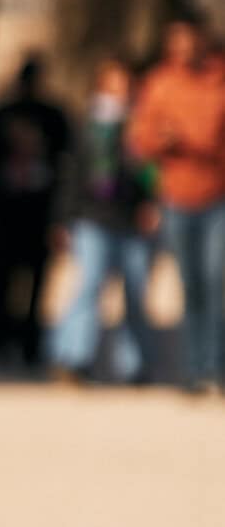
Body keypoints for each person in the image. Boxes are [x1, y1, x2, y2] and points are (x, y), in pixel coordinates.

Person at [49, 56, 160, 384]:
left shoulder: (143, 126)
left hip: (131, 220)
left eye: (126, 84)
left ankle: (135, 365)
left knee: (137, 293)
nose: (121, 90)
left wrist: (151, 202)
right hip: (92, 217)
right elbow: (71, 174)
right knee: (89, 287)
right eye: (114, 83)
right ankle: (72, 357)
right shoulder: (86, 126)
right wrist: (64, 219)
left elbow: (152, 174)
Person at [128, 18, 225, 392]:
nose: (183, 52)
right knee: (191, 283)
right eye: (176, 45)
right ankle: (195, 368)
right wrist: (161, 142)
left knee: (217, 279)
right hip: (177, 197)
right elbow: (140, 139)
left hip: (217, 194)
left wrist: (203, 147)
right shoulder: (160, 84)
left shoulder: (219, 81)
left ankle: (216, 366)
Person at [0, 55, 72, 368]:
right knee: (3, 280)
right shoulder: (1, 115)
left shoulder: (53, 116)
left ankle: (30, 342)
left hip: (39, 210)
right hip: (7, 210)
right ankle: (2, 339)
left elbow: (65, 160)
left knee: (36, 280)